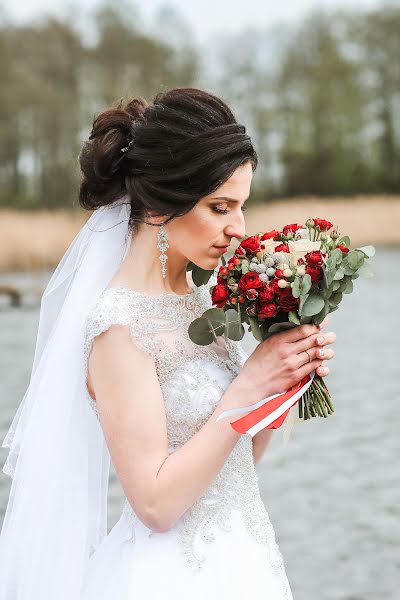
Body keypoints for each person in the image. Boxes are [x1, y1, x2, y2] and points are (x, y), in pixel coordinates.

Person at [0, 88, 335, 600]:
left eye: (242, 206)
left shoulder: (201, 301)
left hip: (244, 559)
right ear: (161, 202)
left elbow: (240, 455)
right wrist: (246, 389)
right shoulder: (118, 327)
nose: (238, 229)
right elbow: (154, 505)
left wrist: (285, 377)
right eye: (219, 206)